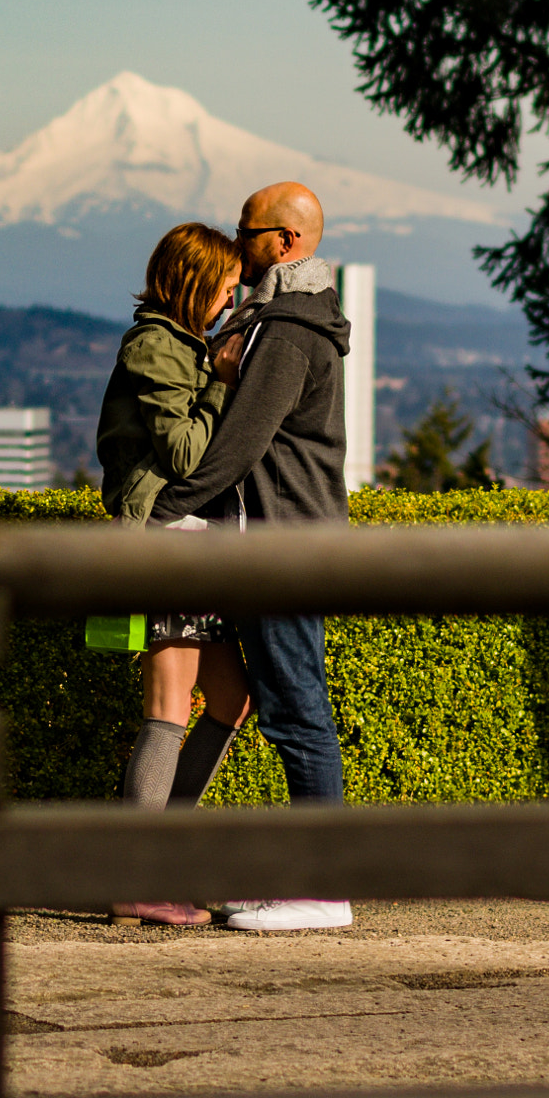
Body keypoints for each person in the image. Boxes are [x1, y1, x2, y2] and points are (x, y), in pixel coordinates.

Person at [150, 182, 354, 933]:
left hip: (280, 547)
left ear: (287, 242)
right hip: (269, 541)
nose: (236, 241)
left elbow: (240, 443)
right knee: (264, 703)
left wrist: (166, 513)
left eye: (248, 230)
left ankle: (324, 888)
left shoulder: (290, 332)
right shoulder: (276, 323)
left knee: (298, 711)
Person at [93, 223, 254, 927]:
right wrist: (221, 385)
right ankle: (135, 878)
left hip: (196, 541)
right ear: (195, 281)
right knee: (169, 705)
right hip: (163, 539)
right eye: (224, 282)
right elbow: (186, 453)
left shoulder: (182, 343)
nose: (231, 295)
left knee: (230, 699)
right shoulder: (155, 346)